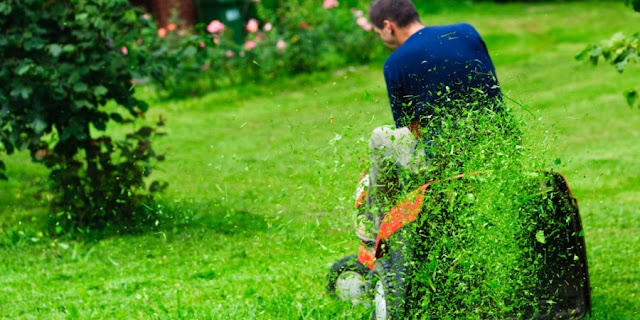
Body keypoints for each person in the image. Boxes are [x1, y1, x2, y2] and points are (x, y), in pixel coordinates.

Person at [355, 0, 502, 240]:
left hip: (448, 161)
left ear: (387, 26)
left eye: (379, 31)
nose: (381, 36)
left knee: (381, 137)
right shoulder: (466, 31)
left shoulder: (395, 62)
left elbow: (413, 130)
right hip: (497, 145)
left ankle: (376, 226)